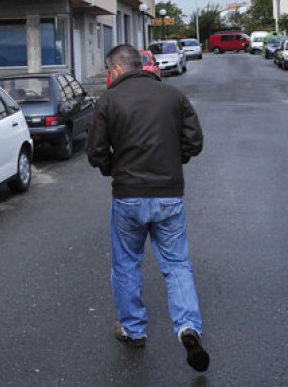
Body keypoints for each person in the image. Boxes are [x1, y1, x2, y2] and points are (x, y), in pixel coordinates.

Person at [85, 43, 210, 373]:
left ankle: (133, 329)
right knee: (176, 264)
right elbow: (194, 142)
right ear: (140, 65)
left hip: (128, 195)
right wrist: (175, 160)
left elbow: (95, 152)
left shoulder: (108, 101)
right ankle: (187, 328)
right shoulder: (173, 96)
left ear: (115, 70)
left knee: (126, 264)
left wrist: (115, 168)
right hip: (169, 194)